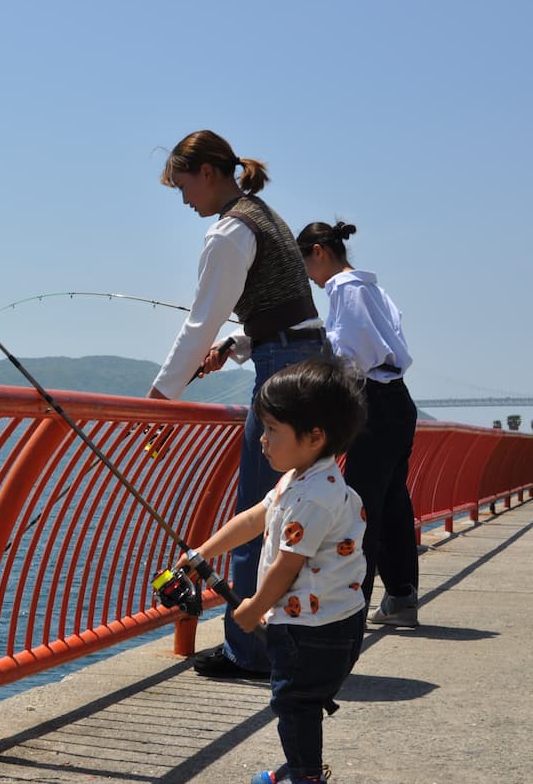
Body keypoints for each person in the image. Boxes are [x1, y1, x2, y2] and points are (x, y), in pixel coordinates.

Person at [150, 130, 328, 678]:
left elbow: (199, 321)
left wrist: (160, 400)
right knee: (291, 504)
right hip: (307, 359)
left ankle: (246, 651)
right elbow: (288, 310)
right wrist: (239, 345)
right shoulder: (263, 215)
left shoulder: (228, 232)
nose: (185, 201)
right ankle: (290, 636)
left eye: (183, 186)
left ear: (207, 172)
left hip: (282, 371)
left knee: (257, 509)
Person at [177, 357, 368, 784]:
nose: (262, 441)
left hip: (314, 627)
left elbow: (287, 565)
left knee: (292, 701)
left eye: (272, 431)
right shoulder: (301, 479)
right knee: (302, 699)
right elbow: (253, 519)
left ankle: (304, 776)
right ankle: (302, 767)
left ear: (315, 436)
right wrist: (202, 553)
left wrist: (252, 607)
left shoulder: (313, 496)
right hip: (326, 620)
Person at [297, 220, 419, 626]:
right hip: (398, 400)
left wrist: (318, 349)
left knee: (363, 506)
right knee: (394, 502)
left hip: (373, 404)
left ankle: (351, 608)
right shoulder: (373, 288)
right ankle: (400, 598)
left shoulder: (345, 291)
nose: (310, 279)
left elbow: (352, 356)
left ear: (318, 251)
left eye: (306, 266)